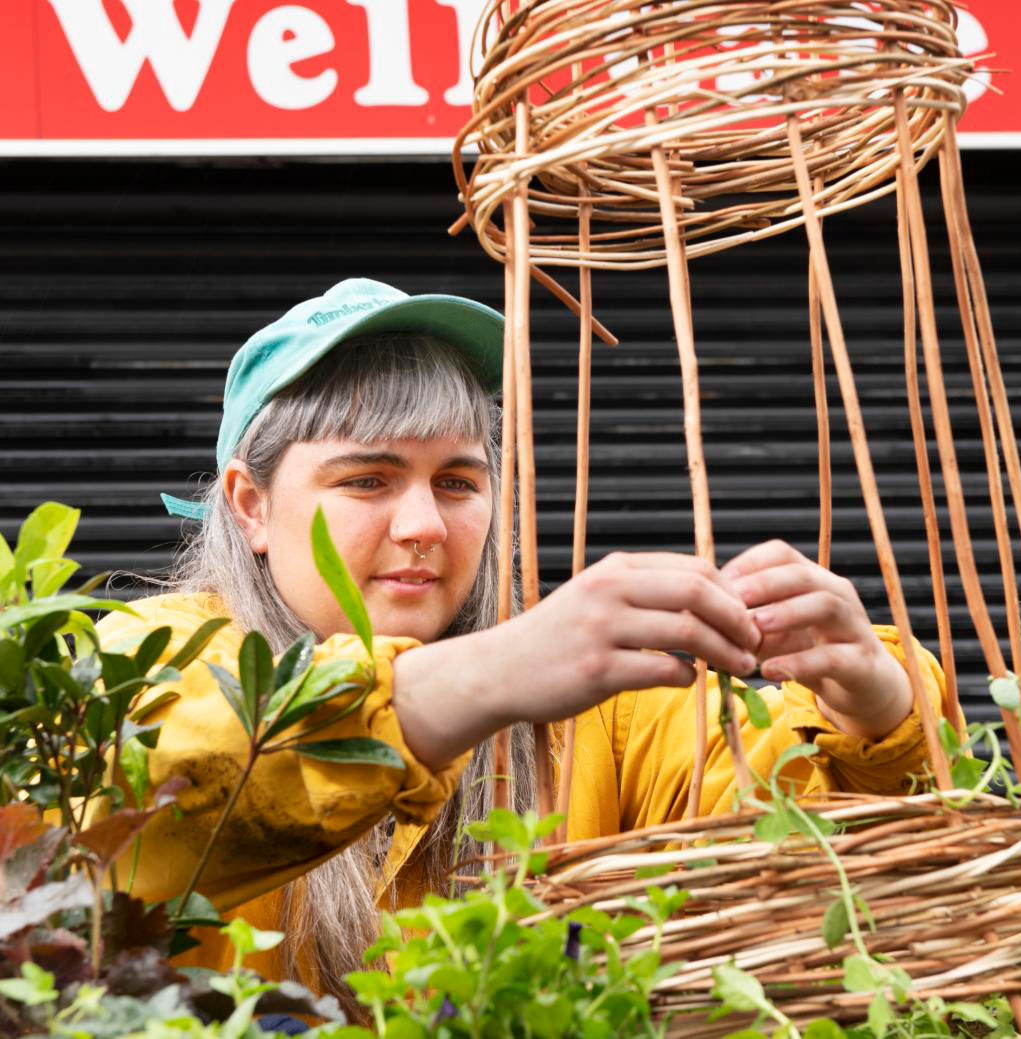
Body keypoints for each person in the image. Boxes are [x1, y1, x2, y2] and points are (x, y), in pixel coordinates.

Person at [96, 277, 946, 1014]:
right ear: (249, 505)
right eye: (368, 479)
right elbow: (144, 810)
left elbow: (802, 887)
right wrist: (489, 676)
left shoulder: (597, 707)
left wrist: (874, 711)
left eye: (460, 481)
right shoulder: (153, 658)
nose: (425, 524)